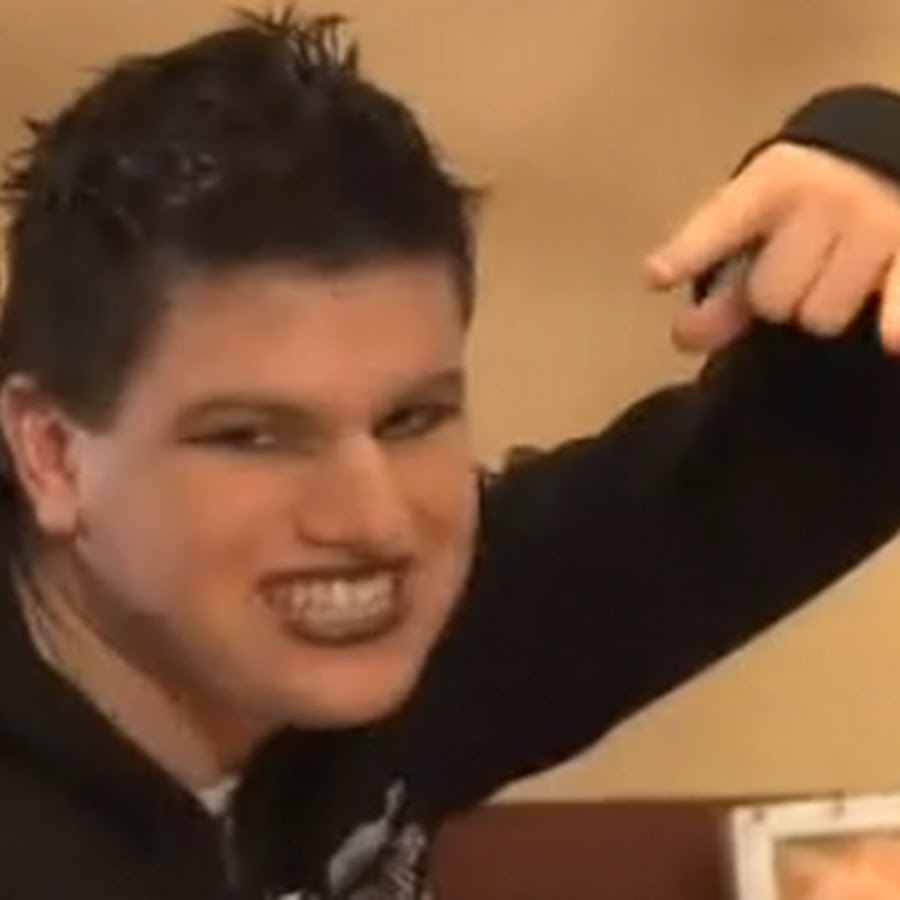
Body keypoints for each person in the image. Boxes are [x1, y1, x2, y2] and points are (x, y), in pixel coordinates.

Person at [3, 9, 900, 899]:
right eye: (253, 437)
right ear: (52, 455)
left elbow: (823, 456)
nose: (373, 520)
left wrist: (872, 167)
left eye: (410, 419)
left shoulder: (412, 631)